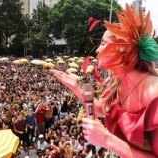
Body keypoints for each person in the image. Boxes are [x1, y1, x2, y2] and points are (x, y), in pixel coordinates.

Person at [50, 4, 158, 157]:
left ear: (122, 49)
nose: (97, 50)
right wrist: (76, 88)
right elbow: (101, 109)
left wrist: (106, 139)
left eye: (103, 43)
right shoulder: (116, 83)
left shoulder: (155, 94)